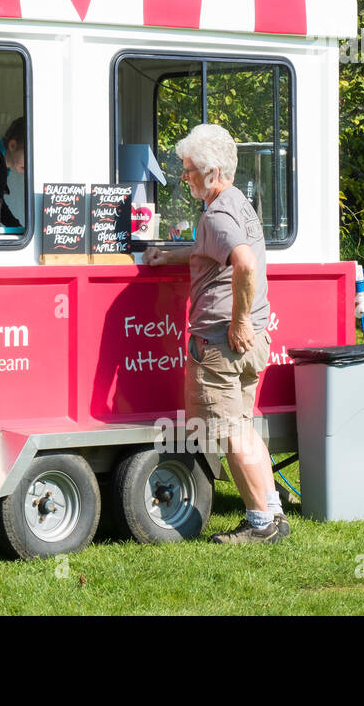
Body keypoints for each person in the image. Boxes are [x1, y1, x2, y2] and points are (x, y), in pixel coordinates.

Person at [144, 123, 288, 544]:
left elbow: (243, 263)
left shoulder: (219, 213)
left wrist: (238, 321)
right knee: (245, 426)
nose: (184, 176)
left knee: (231, 435)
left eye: (188, 169)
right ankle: (273, 515)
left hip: (224, 344)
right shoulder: (237, 203)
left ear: (210, 172)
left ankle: (260, 525)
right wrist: (168, 255)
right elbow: (216, 250)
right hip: (248, 341)